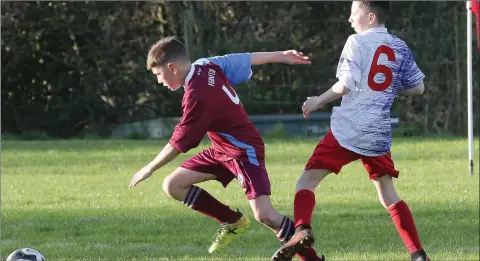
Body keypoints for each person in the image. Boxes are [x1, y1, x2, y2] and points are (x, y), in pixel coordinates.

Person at [129, 36, 324, 260]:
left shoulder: (197, 96)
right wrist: (281, 56)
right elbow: (245, 59)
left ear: (171, 67)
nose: (159, 81)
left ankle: (312, 258)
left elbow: (179, 142)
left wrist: (150, 168)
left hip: (243, 150)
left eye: (158, 74)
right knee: (173, 185)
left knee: (265, 215)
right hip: (221, 149)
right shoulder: (205, 64)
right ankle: (232, 220)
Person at [271, 2, 430, 261]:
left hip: (348, 130)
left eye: (353, 13)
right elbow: (418, 88)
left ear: (369, 16)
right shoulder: (399, 46)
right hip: (377, 133)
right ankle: (418, 254)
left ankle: (301, 229)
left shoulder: (356, 41)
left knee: (306, 182)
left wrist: (317, 101)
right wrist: (383, 88)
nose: (349, 19)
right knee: (388, 193)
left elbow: (345, 85)